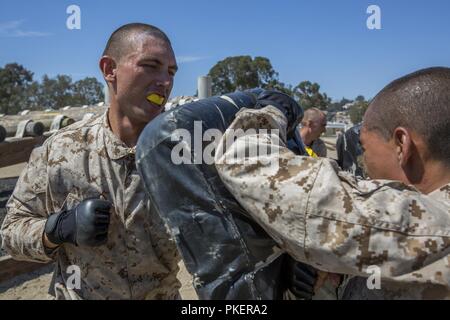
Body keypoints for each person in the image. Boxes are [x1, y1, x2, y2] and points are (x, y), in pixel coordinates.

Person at [214, 67, 450, 299]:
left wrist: (271, 113)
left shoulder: (429, 224)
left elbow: (244, 162)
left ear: (402, 145)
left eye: (364, 148)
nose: (364, 164)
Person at [1, 23, 181, 299]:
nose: (165, 82)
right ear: (110, 70)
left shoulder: (183, 153)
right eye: (150, 65)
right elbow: (11, 232)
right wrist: (58, 228)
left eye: (170, 72)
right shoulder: (62, 150)